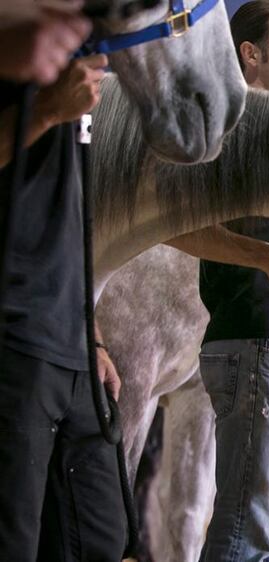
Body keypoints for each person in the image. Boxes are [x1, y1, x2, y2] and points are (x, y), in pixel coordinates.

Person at [157, 2, 269, 558]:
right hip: (254, 349)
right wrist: (268, 259)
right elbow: (179, 226)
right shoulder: (223, 132)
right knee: (246, 530)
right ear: (251, 55)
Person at [0, 45, 131, 558]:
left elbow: (69, 228)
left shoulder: (75, 72)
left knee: (101, 539)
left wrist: (93, 336)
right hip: (15, 344)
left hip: (75, 350)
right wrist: (51, 109)